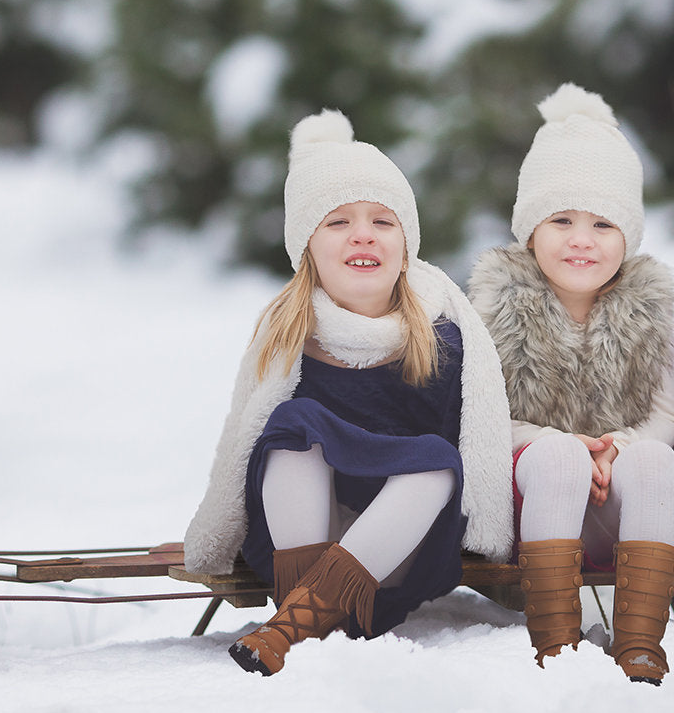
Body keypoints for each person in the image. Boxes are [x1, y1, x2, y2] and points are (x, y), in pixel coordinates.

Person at [184, 109, 514, 676]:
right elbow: (240, 444)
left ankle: (292, 628)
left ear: (405, 247)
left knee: (436, 458)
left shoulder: (443, 334)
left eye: (382, 221)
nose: (363, 233)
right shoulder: (286, 335)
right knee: (295, 425)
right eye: (338, 222)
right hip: (300, 541)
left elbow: (476, 448)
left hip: (400, 543)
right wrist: (217, 535)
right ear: (305, 247)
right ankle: (300, 619)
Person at [467, 83, 674, 686]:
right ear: (530, 230)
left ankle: (639, 642)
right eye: (562, 220)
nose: (582, 239)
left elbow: (665, 415)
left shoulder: (647, 308)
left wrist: (618, 448)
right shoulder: (494, 306)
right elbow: (481, 417)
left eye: (603, 223)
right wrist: (569, 446)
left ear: (627, 237)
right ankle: (556, 640)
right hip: (530, 503)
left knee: (657, 458)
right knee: (555, 455)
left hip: (615, 514)